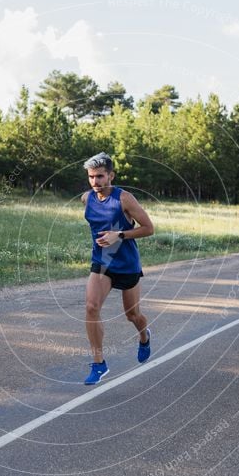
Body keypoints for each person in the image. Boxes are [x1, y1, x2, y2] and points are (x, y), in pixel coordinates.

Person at [81, 152, 155, 385]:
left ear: (111, 175)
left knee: (132, 315)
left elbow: (148, 228)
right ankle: (99, 363)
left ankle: (144, 336)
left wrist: (119, 235)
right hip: (102, 263)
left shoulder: (125, 199)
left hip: (126, 264)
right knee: (91, 307)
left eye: (100, 176)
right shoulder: (87, 198)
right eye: (91, 177)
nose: (95, 182)